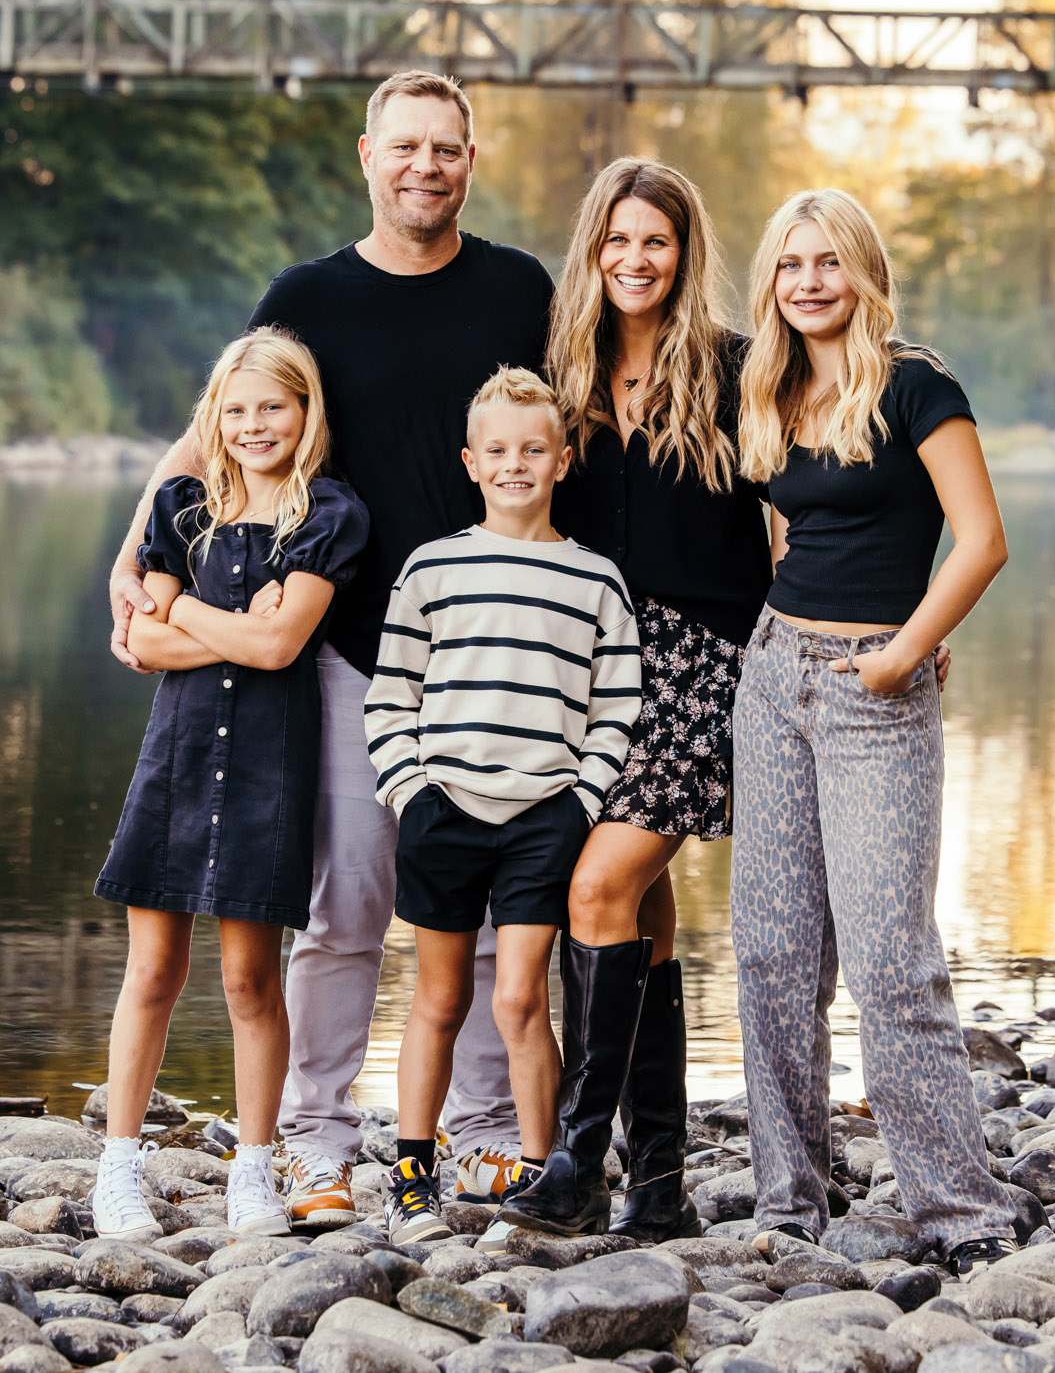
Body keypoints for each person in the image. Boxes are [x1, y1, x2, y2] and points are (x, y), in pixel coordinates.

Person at [105, 70, 551, 1223]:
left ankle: (488, 1131)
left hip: (494, 650)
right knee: (344, 901)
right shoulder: (306, 294)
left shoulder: (518, 289)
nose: (425, 166)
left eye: (445, 148)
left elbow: (582, 429)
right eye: (404, 146)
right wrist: (131, 547)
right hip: (349, 647)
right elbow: (221, 423)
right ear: (367, 155)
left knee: (492, 910)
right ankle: (314, 1140)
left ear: (471, 155)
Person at [727, 188, 1023, 1274]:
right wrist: (779, 640)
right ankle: (789, 1192)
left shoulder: (915, 385)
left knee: (892, 959)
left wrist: (905, 650)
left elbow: (982, 540)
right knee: (770, 952)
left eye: (828, 262)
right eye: (790, 263)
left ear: (863, 271)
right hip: (771, 681)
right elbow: (780, 528)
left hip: (873, 694)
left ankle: (958, 1205)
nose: (808, 281)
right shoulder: (772, 390)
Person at [497, 158, 770, 1239]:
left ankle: (576, 1158)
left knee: (599, 887)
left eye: (653, 240)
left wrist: (882, 621)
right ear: (591, 249)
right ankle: (658, 1184)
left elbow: (814, 495)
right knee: (641, 913)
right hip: (589, 664)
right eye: (615, 240)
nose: (633, 260)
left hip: (703, 658)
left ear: (684, 251)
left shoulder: (739, 369)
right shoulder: (562, 373)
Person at [89, 330, 370, 1241]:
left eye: (273, 407)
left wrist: (193, 613)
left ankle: (254, 1169)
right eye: (238, 409)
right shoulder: (182, 503)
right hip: (175, 762)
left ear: (305, 412)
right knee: (153, 970)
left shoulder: (329, 512)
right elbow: (146, 645)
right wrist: (227, 625)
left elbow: (282, 646)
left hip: (266, 771)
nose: (255, 425)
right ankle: (119, 1165)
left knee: (253, 980)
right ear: (216, 414)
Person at [362, 368, 642, 1242]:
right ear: (471, 463)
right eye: (497, 451)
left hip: (542, 816)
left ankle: (540, 1169)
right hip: (443, 806)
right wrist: (409, 788)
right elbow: (391, 692)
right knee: (439, 998)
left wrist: (582, 797)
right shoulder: (432, 567)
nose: (515, 464)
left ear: (562, 460)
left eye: (532, 449)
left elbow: (618, 703)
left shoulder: (596, 578)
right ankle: (413, 1168)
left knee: (521, 999)